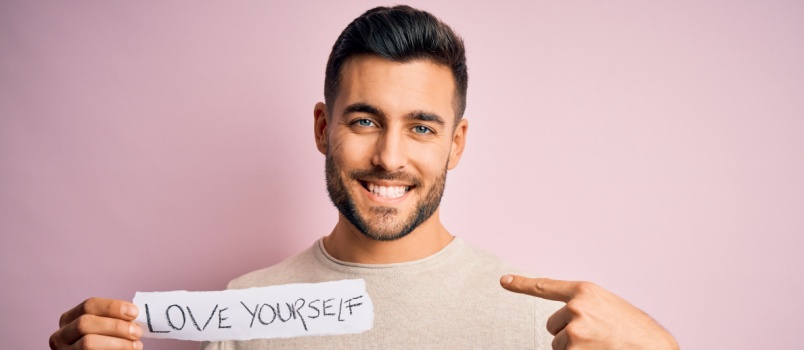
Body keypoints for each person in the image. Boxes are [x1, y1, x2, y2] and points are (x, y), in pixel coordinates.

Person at [49, 5, 679, 350]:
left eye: (423, 127)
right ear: (324, 128)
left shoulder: (542, 325)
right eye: (365, 120)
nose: (389, 157)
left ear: (457, 143)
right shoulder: (241, 310)